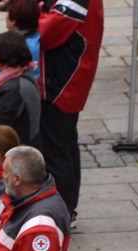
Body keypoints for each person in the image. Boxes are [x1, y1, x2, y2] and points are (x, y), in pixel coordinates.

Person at [33, 0, 101, 219]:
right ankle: (66, 209)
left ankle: (61, 213)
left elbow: (46, 32)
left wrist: (28, 14)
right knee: (65, 147)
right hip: (63, 80)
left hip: (62, 83)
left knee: (57, 151)